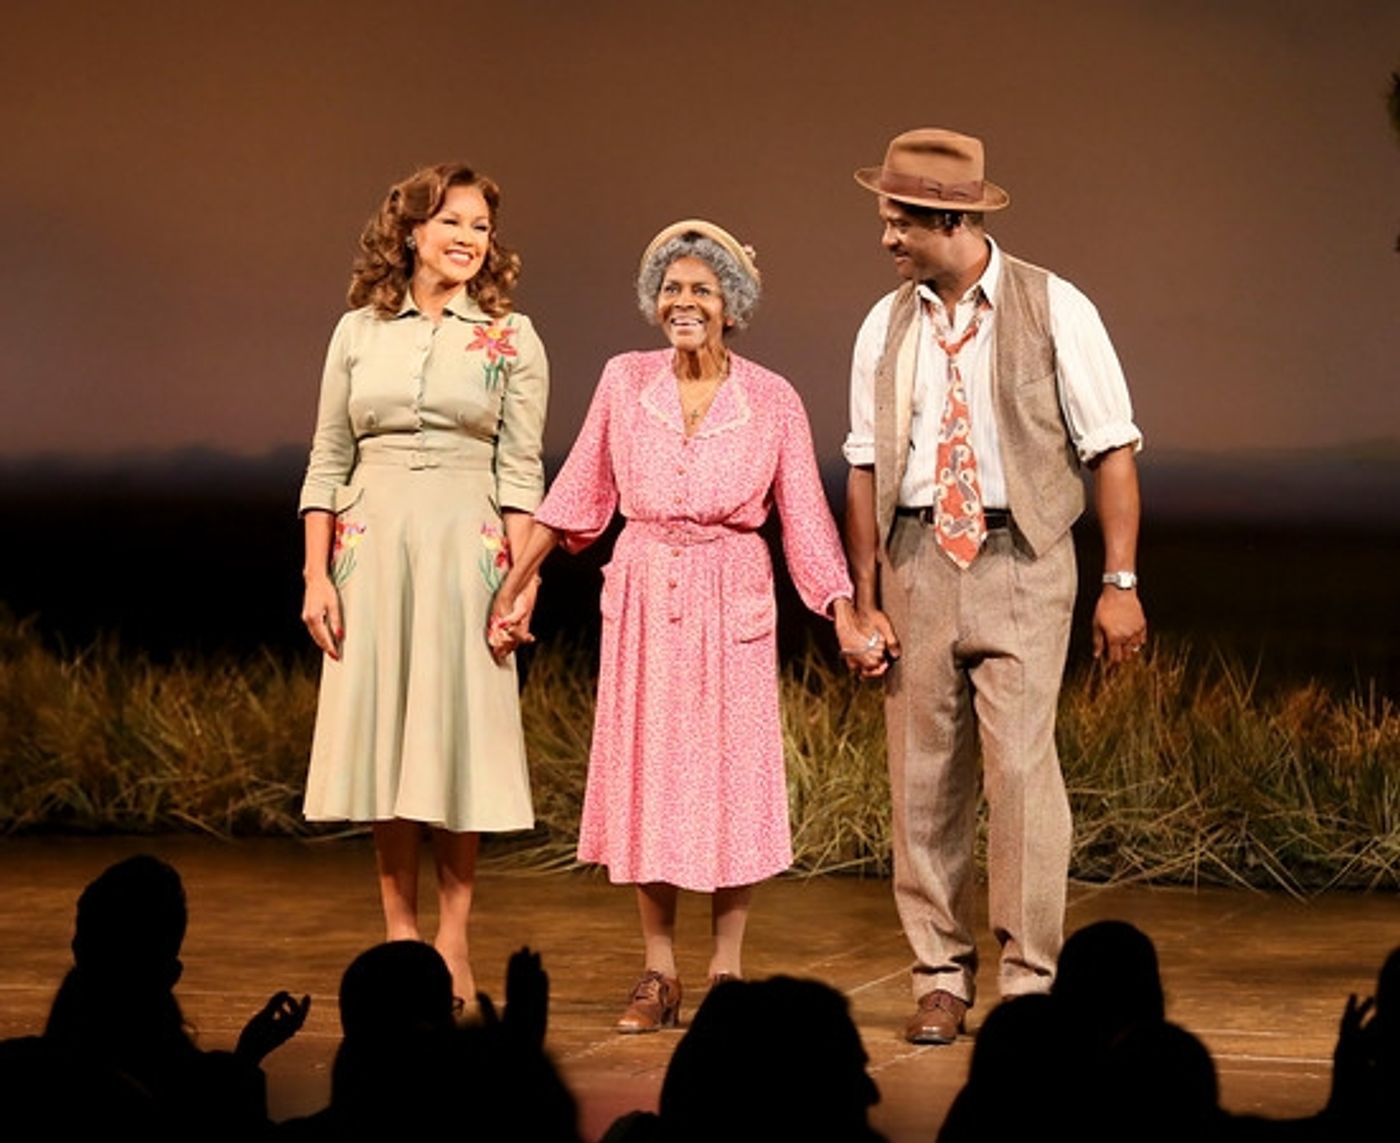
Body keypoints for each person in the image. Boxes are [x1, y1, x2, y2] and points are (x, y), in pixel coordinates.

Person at [490, 219, 867, 1032]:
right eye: (671, 288)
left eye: (701, 289)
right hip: (646, 592)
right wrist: (515, 586)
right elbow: (575, 494)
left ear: (733, 306)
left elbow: (804, 518)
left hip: (732, 592)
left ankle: (727, 973)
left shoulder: (772, 398)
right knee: (650, 776)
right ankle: (658, 972)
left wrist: (842, 611)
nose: (683, 301)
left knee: (732, 777)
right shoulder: (625, 381)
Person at [842, 129, 1147, 1044]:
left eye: (900, 220)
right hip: (915, 557)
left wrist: (1120, 580)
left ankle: (1029, 979)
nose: (887, 237)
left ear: (951, 216)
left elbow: (1113, 448)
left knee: (1020, 771)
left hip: (1024, 557)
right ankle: (939, 973)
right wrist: (864, 598)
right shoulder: (884, 322)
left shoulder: (1055, 306)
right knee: (921, 778)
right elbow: (864, 464)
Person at [298, 162, 548, 1003]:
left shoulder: (513, 338)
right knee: (387, 739)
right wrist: (315, 574)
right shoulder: (357, 332)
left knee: (456, 736)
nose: (470, 240)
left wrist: (521, 585)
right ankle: (399, 940)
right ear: (410, 231)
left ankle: (451, 940)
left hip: (465, 549)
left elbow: (522, 475)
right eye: (453, 223)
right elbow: (328, 458)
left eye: (480, 226)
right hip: (370, 547)